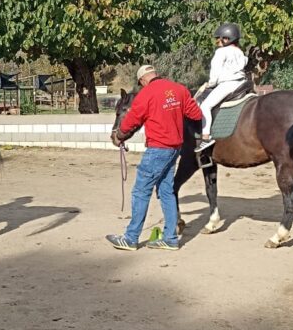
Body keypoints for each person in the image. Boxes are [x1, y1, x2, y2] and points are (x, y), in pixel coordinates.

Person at [106, 64, 202, 252]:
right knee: (166, 191)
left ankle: (131, 238)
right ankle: (170, 239)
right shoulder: (179, 89)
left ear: (143, 80)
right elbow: (196, 114)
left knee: (141, 191)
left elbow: (132, 119)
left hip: (158, 148)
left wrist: (120, 135)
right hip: (175, 148)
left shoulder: (146, 93)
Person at [196, 23, 248, 151]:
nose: (219, 41)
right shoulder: (240, 52)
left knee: (205, 106)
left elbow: (215, 73)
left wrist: (210, 84)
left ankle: (206, 138)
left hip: (227, 84)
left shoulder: (221, 52)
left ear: (228, 38)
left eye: (221, 38)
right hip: (242, 83)